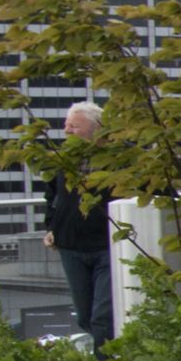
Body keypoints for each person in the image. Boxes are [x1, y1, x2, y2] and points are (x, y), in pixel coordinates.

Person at [42, 100, 114, 343]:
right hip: (71, 247)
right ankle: (112, 355)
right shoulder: (64, 160)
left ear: (97, 129)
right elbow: (52, 195)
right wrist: (52, 227)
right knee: (85, 315)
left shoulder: (120, 158)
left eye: (74, 126)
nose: (67, 131)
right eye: (66, 125)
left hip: (107, 246)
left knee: (103, 316)